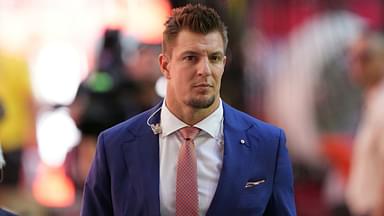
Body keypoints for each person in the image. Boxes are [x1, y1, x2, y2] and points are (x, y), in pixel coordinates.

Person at [81, 4, 296, 216]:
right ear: (165, 65)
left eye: (214, 58)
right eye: (190, 58)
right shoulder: (115, 146)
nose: (204, 70)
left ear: (224, 63)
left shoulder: (267, 145)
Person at [345, 30, 384, 216]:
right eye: (352, 57)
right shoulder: (371, 102)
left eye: (364, 58)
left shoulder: (381, 106)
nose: (355, 65)